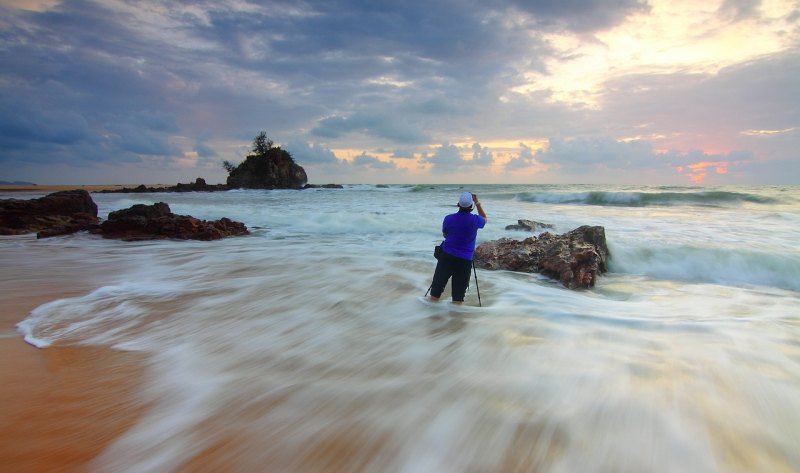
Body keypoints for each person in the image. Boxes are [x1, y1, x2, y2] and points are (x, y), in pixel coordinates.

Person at [428, 191, 488, 304]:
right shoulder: (475, 220)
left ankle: (431, 316)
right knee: (458, 296)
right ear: (471, 206)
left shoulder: (448, 218)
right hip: (464, 260)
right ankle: (455, 317)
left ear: (458, 204)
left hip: (446, 256)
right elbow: (484, 218)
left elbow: (445, 234)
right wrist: (478, 203)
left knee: (436, 290)